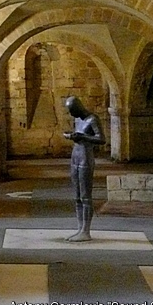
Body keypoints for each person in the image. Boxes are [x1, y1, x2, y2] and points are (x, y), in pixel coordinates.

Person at [62, 96, 106, 242]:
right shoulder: (78, 120)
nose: (72, 115)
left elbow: (101, 139)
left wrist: (83, 137)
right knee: (77, 196)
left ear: (78, 107)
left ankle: (86, 231)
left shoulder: (92, 119)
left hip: (86, 157)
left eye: (72, 111)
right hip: (76, 156)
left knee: (85, 196)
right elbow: (79, 135)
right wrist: (73, 136)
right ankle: (79, 228)